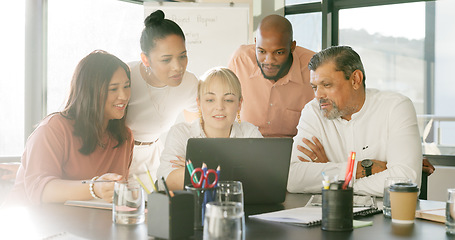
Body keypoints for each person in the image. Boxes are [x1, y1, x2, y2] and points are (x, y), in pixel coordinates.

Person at [287, 46, 422, 197]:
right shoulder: (312, 111)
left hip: (384, 215)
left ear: (355, 80)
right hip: (329, 212)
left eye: (327, 85)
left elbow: (404, 182)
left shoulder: (395, 107)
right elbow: (292, 177)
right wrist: (362, 170)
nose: (318, 95)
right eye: (314, 87)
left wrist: (334, 180)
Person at [6, 50, 133, 205]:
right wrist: (94, 188)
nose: (124, 96)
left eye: (127, 86)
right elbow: (39, 189)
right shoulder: (53, 129)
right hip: (29, 222)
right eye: (113, 89)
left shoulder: (124, 137)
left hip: (83, 225)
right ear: (90, 91)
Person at [156, 67, 263, 190]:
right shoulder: (181, 133)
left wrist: (196, 168)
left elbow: (263, 178)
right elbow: (166, 182)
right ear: (199, 103)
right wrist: (235, 169)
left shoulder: (249, 132)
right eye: (210, 100)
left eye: (228, 100)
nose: (219, 107)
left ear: (239, 104)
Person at [126, 10, 198, 189]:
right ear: (146, 59)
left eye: (183, 56)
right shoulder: (126, 76)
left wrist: (190, 157)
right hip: (117, 156)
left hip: (155, 159)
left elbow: (196, 129)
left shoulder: (188, 83)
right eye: (166, 60)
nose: (178, 67)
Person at [228, 14, 314, 138]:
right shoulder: (240, 61)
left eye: (278, 52)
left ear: (292, 47)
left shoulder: (313, 68)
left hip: (294, 152)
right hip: (244, 146)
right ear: (256, 42)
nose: (269, 61)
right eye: (262, 51)